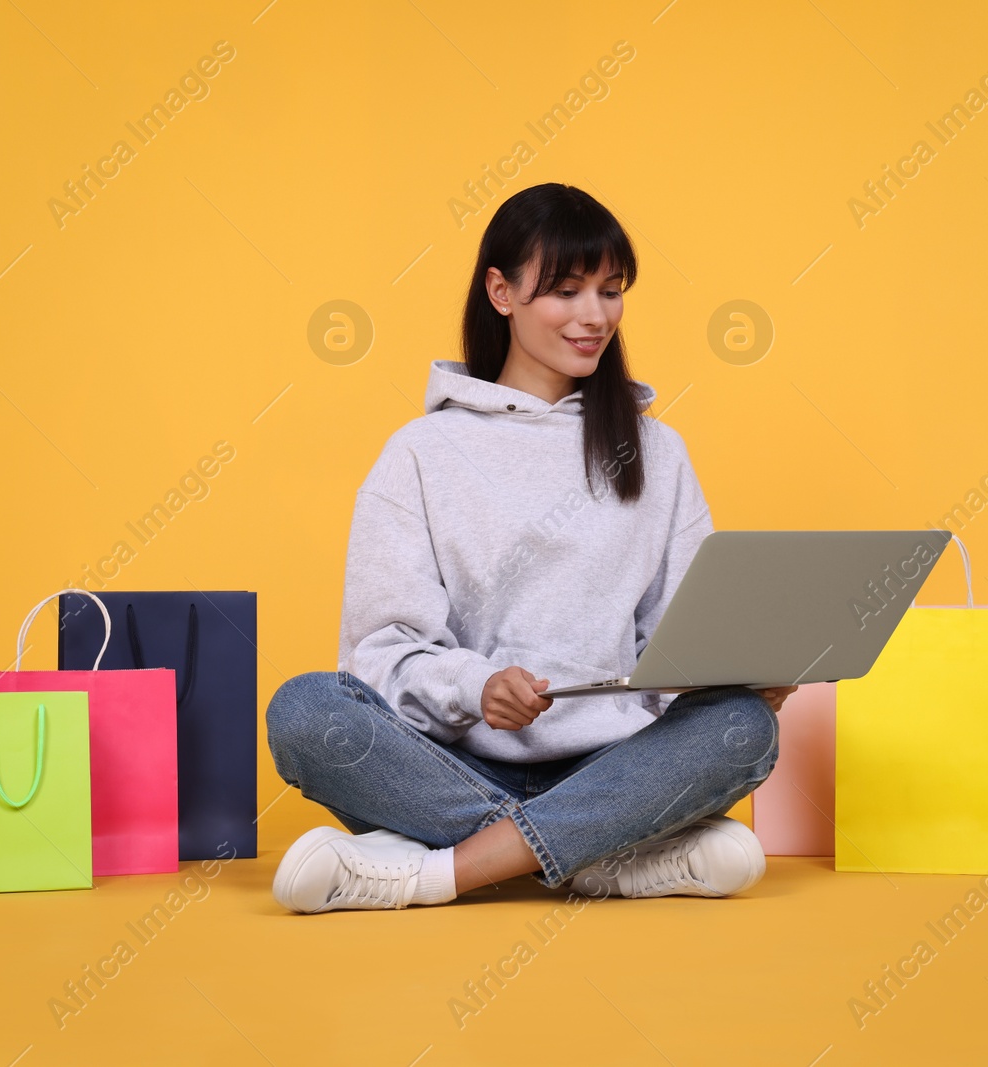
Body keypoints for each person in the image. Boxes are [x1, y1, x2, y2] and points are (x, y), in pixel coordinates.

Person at [265, 182, 795, 914]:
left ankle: (439, 871)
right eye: (566, 290)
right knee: (306, 710)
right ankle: (604, 853)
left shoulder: (658, 453)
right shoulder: (422, 453)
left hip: (616, 764)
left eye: (611, 292)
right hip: (452, 763)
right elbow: (381, 656)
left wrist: (737, 681)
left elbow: (677, 647)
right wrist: (475, 687)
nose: (594, 316)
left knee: (743, 729)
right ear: (500, 290)